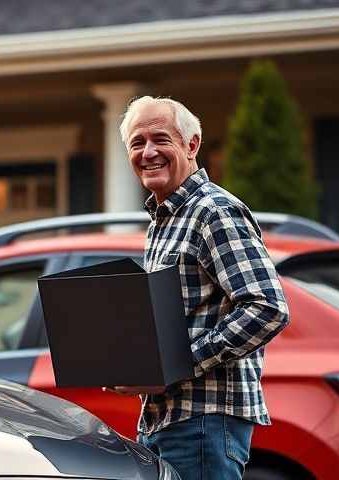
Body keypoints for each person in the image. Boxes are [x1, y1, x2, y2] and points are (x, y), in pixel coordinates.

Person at [108, 96, 290, 479]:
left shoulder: (214, 211)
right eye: (137, 143)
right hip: (168, 419)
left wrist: (173, 368)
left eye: (161, 139)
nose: (148, 152)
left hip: (204, 424)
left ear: (192, 145)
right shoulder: (165, 218)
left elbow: (267, 307)